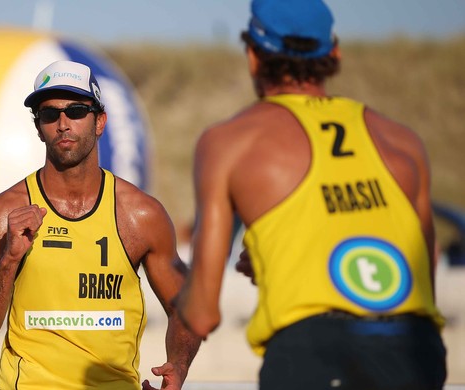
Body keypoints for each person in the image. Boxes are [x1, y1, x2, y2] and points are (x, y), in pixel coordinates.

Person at [176, 0, 447, 389]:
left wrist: (177, 289)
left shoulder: (229, 142)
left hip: (315, 354)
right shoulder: (403, 141)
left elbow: (201, 314)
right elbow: (422, 264)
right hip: (414, 350)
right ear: (334, 52)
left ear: (254, 56)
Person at [0, 60, 201, 390]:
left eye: (76, 110)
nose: (63, 123)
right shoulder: (5, 213)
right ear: (39, 127)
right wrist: (9, 261)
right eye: (50, 114)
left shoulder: (141, 215)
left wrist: (179, 365)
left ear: (100, 122)